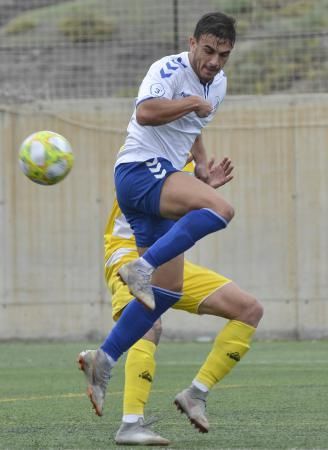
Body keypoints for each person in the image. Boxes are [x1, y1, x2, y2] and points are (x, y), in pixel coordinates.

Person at [77, 11, 263, 441]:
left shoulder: (217, 84)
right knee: (222, 211)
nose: (215, 62)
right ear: (192, 41)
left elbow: (191, 126)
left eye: (224, 55)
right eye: (209, 50)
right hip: (140, 171)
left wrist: (201, 167)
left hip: (160, 187)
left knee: (167, 292)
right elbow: (146, 113)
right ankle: (139, 267)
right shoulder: (168, 69)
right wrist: (190, 104)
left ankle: (104, 361)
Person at [102, 158, 262, 445]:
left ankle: (195, 394)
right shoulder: (146, 152)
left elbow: (175, 214)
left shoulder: (186, 160)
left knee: (248, 309)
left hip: (166, 259)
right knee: (149, 322)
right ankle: (130, 423)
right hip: (129, 256)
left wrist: (202, 189)